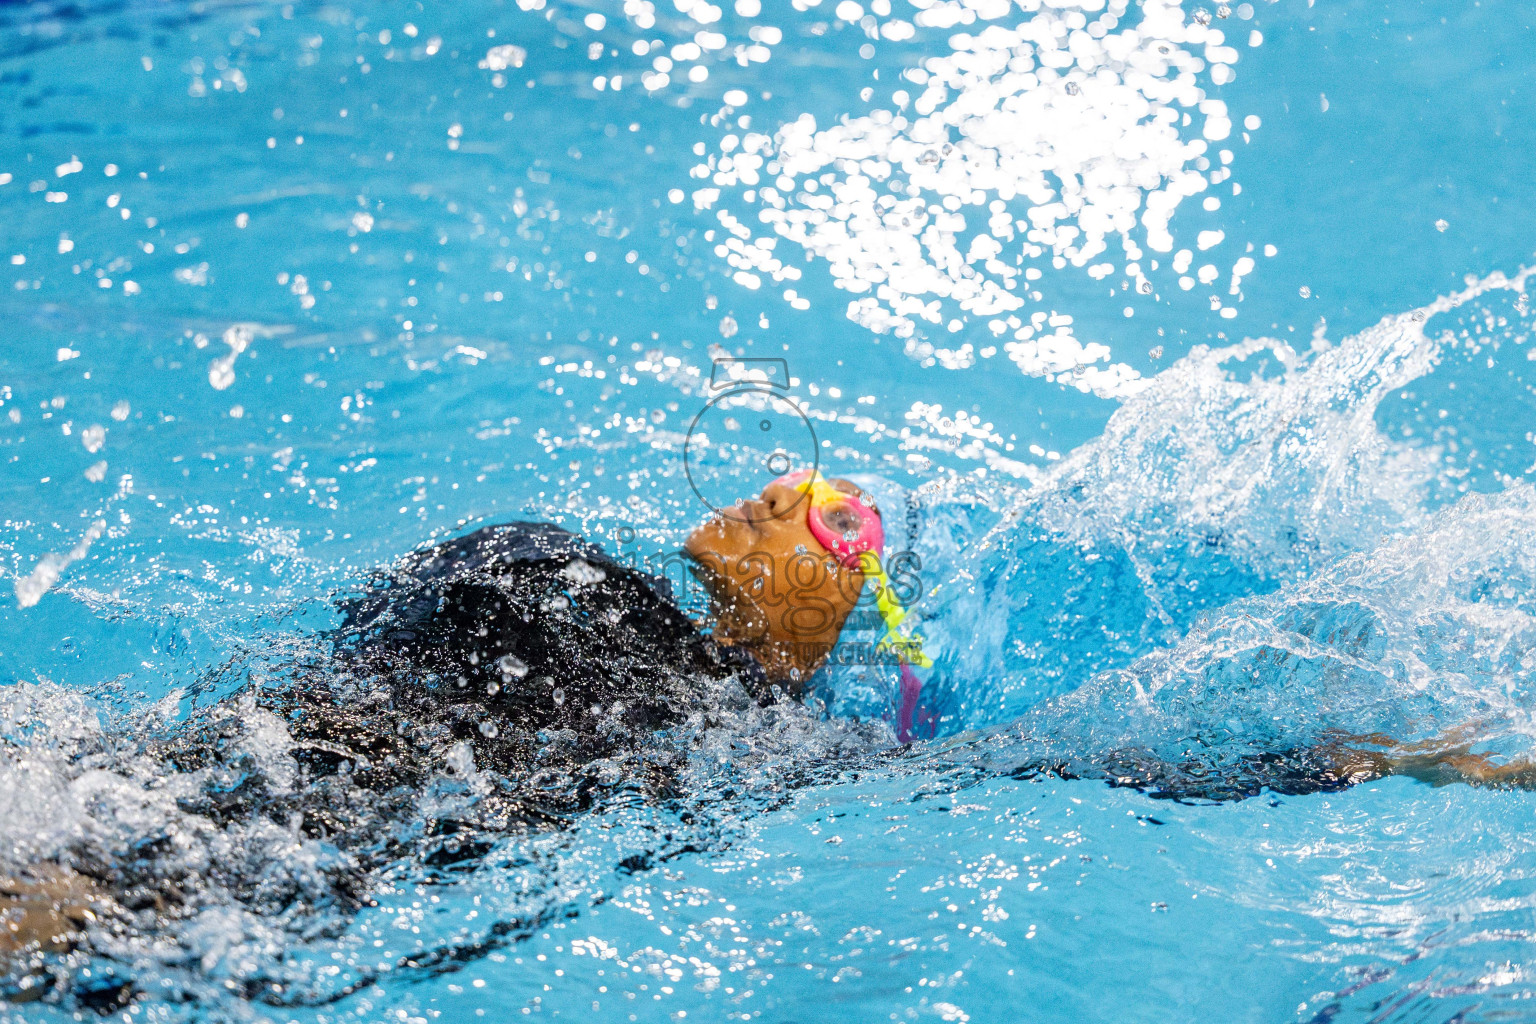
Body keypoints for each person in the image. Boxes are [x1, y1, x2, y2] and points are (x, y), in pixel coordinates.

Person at [1, 468, 1532, 1004]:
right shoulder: (613, 615)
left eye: (833, 525)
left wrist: (1397, 752)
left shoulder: (757, 738)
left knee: (98, 888)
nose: (792, 501)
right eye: (792, 490)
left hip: (330, 815)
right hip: (285, 772)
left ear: (838, 637)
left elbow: (1076, 759)